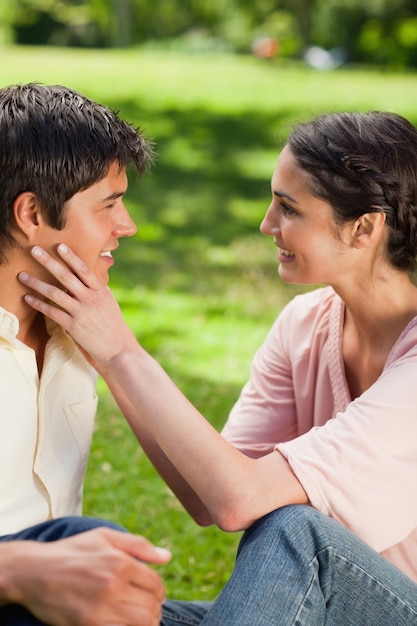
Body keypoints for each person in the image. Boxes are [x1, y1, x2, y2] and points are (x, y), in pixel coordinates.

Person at [21, 109, 417, 625]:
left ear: (363, 227)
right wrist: (102, 353)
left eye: (289, 209)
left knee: (297, 533)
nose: (266, 225)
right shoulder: (304, 325)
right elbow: (207, 493)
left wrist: (121, 349)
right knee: (104, 612)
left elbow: (240, 499)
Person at [0, 81, 215, 626]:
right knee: (85, 541)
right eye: (109, 205)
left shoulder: (79, 330)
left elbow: (210, 499)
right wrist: (22, 570)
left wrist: (121, 353)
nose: (128, 227)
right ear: (31, 215)